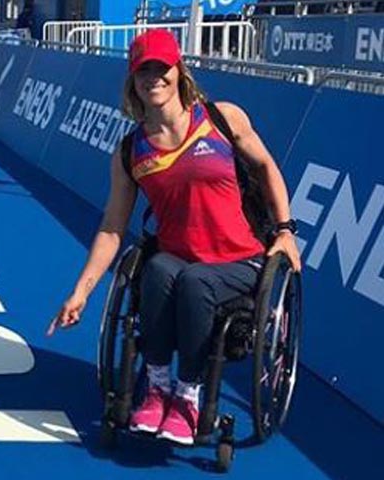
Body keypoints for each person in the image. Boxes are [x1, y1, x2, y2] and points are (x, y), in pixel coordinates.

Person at [47, 30, 301, 445]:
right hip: (179, 258)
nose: (154, 78)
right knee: (159, 270)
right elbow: (112, 228)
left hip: (239, 261)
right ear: (133, 80)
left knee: (195, 281)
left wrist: (286, 232)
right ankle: (159, 385)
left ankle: (188, 395)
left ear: (178, 71)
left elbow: (267, 168)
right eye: (143, 70)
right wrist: (82, 292)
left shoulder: (222, 120)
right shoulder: (131, 151)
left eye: (161, 69)